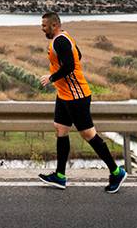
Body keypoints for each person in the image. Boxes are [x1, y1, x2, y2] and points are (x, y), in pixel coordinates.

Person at [36, 12, 126, 192]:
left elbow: (70, 65)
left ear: (54, 25)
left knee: (88, 134)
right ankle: (60, 176)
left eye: (45, 25)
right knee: (60, 128)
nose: (42, 28)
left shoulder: (61, 41)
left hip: (76, 96)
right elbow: (79, 55)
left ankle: (116, 172)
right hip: (64, 94)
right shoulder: (65, 37)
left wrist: (52, 77)